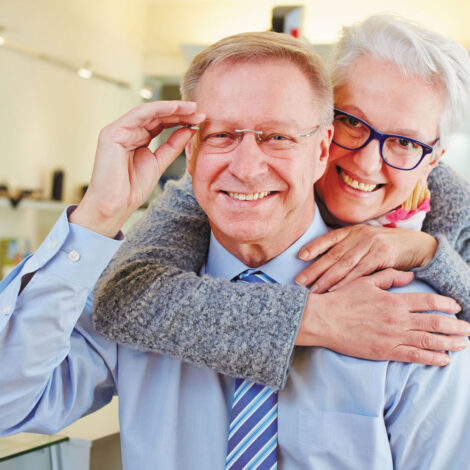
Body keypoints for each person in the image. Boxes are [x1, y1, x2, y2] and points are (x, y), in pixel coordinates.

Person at [1, 30, 470, 470]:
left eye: (279, 136)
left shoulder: (410, 322)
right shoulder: (135, 294)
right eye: (222, 135)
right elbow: (8, 404)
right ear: (190, 150)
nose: (247, 168)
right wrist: (97, 216)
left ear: (320, 148)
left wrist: (429, 252)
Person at [93, 15, 470, 390]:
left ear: (433, 158)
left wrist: (427, 251)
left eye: (406, 143)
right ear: (320, 122)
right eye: (351, 122)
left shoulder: (447, 204)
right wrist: (318, 319)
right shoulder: (236, 185)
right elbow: (124, 296)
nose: (367, 163)